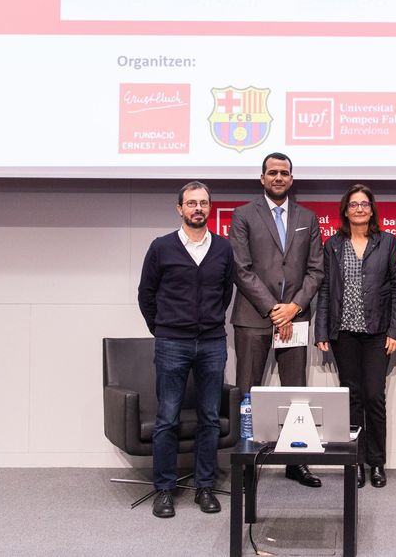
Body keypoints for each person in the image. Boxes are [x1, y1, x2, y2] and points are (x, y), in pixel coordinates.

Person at [137, 181, 235, 518]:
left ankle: (204, 486)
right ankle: (164, 490)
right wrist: (163, 328)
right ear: (179, 209)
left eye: (203, 203)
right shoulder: (161, 247)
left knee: (209, 417)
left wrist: (207, 323)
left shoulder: (222, 248)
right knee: (168, 417)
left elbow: (225, 293)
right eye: (191, 203)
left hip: (211, 342)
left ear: (209, 208)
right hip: (171, 343)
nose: (197, 208)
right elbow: (145, 295)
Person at [229, 152, 326, 488]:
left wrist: (293, 307)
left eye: (284, 173)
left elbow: (316, 270)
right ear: (262, 178)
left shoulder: (308, 218)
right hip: (253, 316)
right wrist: (274, 308)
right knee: (248, 393)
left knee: (295, 394)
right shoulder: (243, 216)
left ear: (291, 178)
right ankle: (247, 465)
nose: (278, 178)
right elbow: (241, 269)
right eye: (272, 173)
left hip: (295, 318)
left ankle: (295, 462)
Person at [314, 184, 396, 489]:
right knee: (351, 398)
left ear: (372, 209)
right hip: (344, 334)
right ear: (345, 210)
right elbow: (326, 289)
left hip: (377, 333)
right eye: (353, 204)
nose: (359, 209)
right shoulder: (334, 245)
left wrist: (395, 330)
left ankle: (376, 462)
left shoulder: (387, 242)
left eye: (364, 204)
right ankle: (354, 462)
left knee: (373, 397)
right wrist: (322, 329)